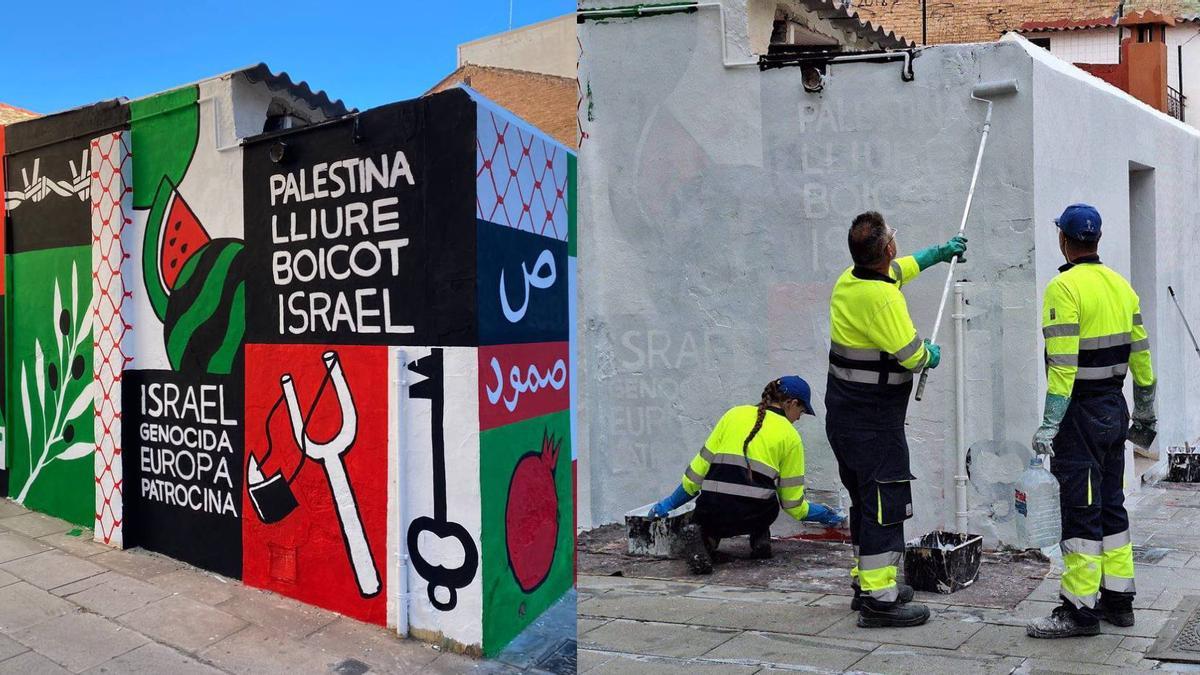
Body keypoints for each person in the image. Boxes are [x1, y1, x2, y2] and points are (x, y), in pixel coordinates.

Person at [825, 211, 966, 628]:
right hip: (875, 422)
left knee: (864, 502)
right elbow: (912, 354)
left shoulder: (850, 281)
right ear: (887, 248)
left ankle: (866, 583)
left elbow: (898, 271)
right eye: (895, 239)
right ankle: (881, 600)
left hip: (846, 416)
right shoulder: (883, 301)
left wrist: (937, 254)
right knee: (884, 506)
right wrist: (930, 355)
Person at [1027, 203, 1155, 639]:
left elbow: (1062, 366)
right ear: (1096, 239)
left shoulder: (1063, 289)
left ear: (1063, 239)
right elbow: (1143, 360)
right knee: (1110, 504)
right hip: (1113, 410)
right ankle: (1119, 601)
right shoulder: (1122, 287)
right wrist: (1146, 413)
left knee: (1080, 510)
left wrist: (1049, 424)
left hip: (1079, 416)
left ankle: (1079, 610)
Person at [647, 376, 843, 575]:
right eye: (801, 411)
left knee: (707, 519)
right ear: (791, 403)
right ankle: (760, 538)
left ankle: (706, 541)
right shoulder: (791, 437)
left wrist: (668, 505)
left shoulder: (733, 415)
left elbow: (695, 477)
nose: (799, 417)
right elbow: (792, 505)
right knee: (768, 500)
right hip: (754, 515)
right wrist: (825, 514)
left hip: (712, 510)